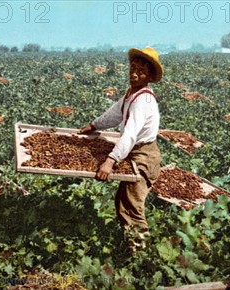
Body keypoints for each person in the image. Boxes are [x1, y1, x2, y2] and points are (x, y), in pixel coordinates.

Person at [79, 47, 163, 252]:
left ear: (150, 76)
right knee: (123, 200)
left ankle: (141, 253)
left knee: (132, 205)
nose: (134, 74)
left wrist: (110, 160)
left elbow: (131, 134)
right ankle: (131, 244)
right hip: (134, 151)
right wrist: (95, 125)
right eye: (133, 68)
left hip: (144, 155)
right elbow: (115, 113)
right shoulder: (131, 93)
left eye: (141, 72)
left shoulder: (143, 99)